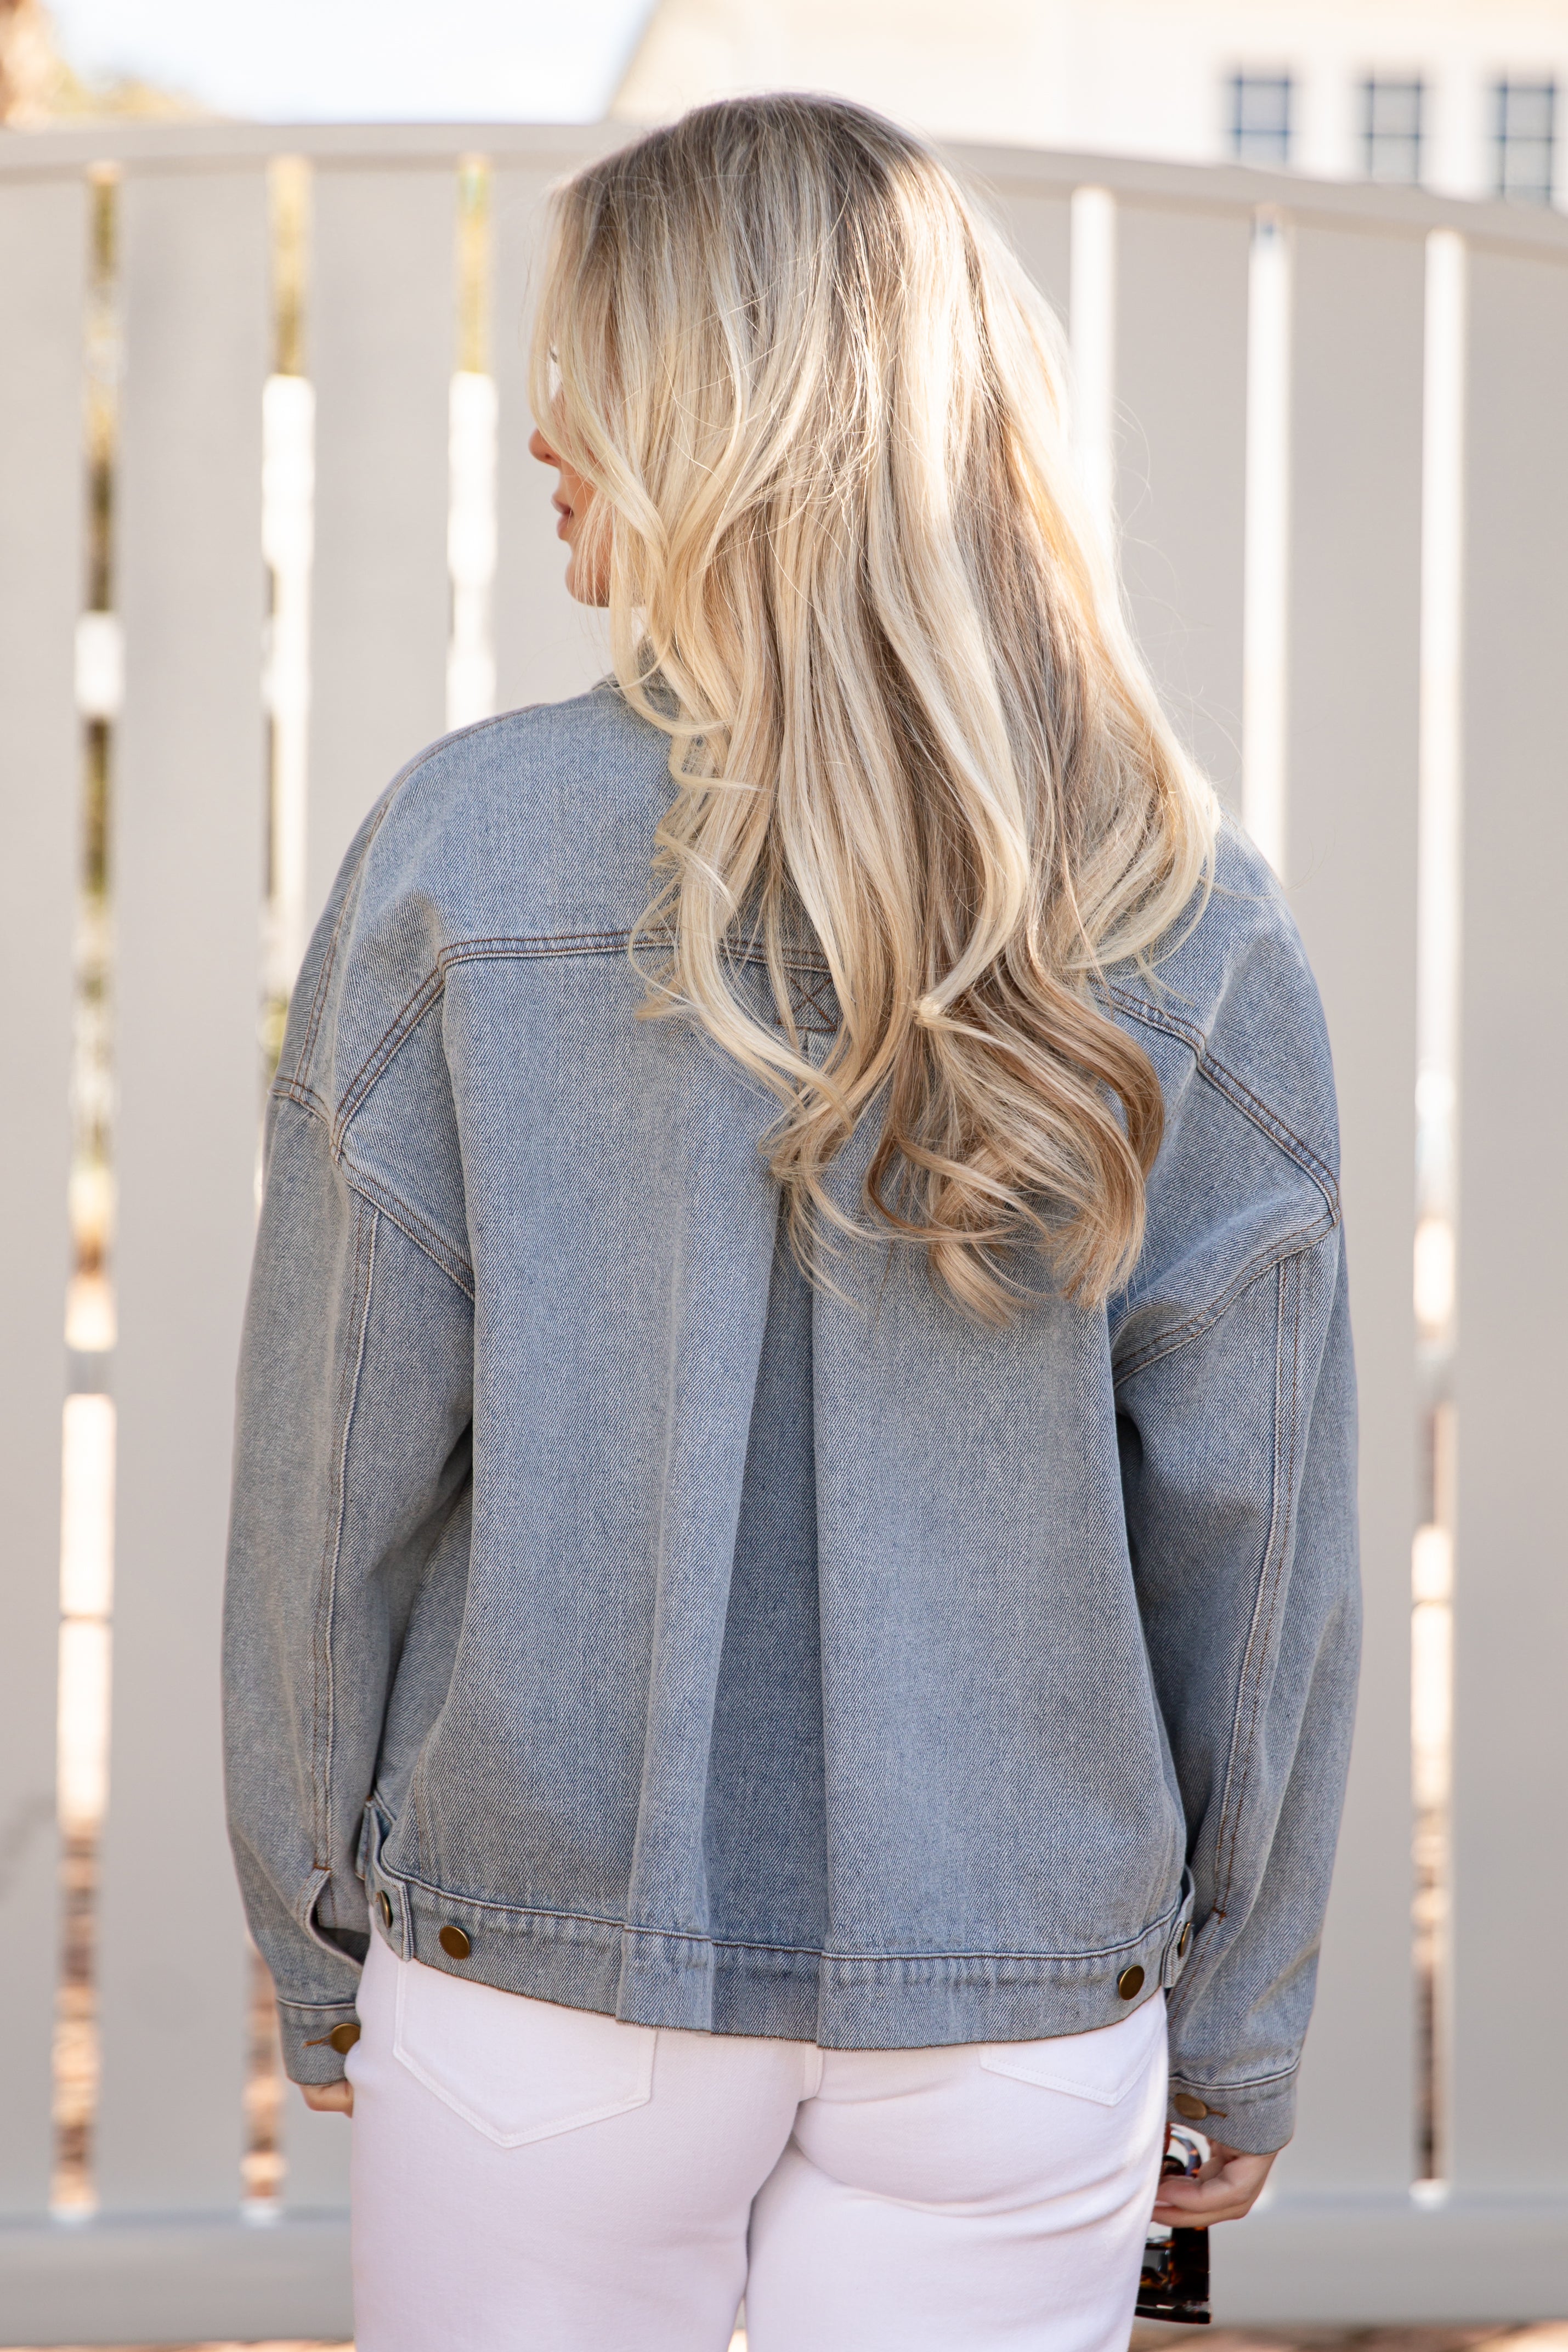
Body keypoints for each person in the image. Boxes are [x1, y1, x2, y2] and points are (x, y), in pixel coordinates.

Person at [223, 93, 1358, 2352]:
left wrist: (312, 1915)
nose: (540, 427)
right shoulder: (1180, 915)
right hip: (1019, 1999)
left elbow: (330, 1475)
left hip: (546, 1968)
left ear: (721, 417)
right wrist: (1243, 2000)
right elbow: (1260, 1556)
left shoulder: (464, 861)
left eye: (586, 367)